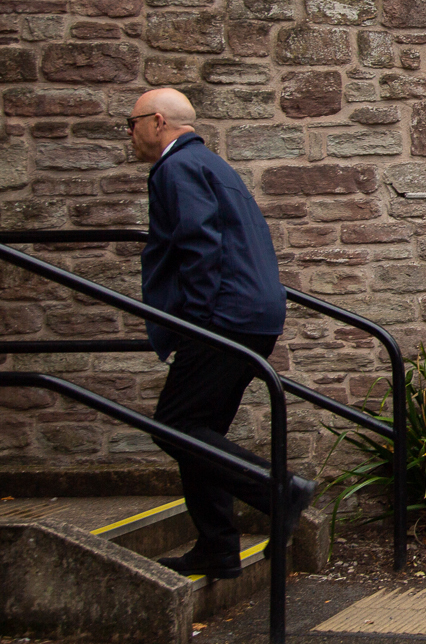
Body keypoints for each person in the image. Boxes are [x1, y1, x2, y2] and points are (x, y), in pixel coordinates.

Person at [131, 87, 309, 580]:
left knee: (175, 424)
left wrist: (195, 320)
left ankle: (280, 491)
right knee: (198, 434)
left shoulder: (178, 168)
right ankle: (217, 547)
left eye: (132, 123)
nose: (129, 134)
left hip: (223, 316)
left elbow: (199, 242)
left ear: (159, 123)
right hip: (253, 314)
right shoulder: (211, 165)